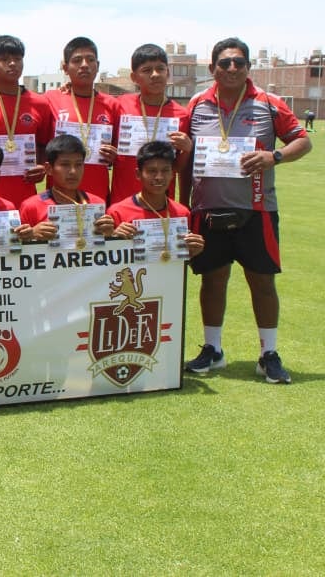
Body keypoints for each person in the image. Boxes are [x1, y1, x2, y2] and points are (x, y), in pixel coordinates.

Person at [183, 37, 311, 383]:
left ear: (248, 67)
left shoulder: (268, 104)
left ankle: (268, 353)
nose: (232, 68)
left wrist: (275, 156)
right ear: (212, 69)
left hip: (257, 210)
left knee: (262, 282)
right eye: (225, 63)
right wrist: (183, 207)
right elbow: (184, 158)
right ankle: (213, 350)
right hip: (208, 208)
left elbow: (303, 140)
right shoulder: (196, 105)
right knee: (212, 281)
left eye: (239, 62)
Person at [0, 35, 56, 207]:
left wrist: (42, 167)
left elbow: (44, 145)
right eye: (4, 59)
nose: (12, 63)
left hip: (24, 192)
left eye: (17, 59)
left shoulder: (40, 103)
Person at [110, 44, 192, 205]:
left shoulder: (181, 114)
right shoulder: (119, 105)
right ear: (134, 78)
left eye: (160, 69)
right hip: (123, 201)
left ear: (167, 73)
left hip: (162, 204)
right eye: (147, 70)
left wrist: (187, 150)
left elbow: (176, 167)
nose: (155, 75)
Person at [42, 37, 122, 201]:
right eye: (77, 60)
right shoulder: (49, 99)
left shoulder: (112, 104)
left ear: (97, 66)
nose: (84, 65)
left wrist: (114, 155)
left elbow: (118, 151)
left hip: (97, 194)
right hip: (58, 197)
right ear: (65, 68)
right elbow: (40, 144)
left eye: (90, 60)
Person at [107, 140, 204, 259]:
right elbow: (106, 263)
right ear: (138, 174)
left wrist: (193, 249)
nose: (159, 177)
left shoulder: (182, 213)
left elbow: (181, 259)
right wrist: (114, 239)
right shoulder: (117, 212)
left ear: (172, 173)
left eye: (165, 170)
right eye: (152, 171)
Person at [18, 134, 115, 241]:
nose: (73, 171)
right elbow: (17, 249)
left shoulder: (97, 204)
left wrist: (110, 235)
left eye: (78, 165)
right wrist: (32, 236)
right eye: (65, 165)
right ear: (49, 168)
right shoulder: (31, 207)